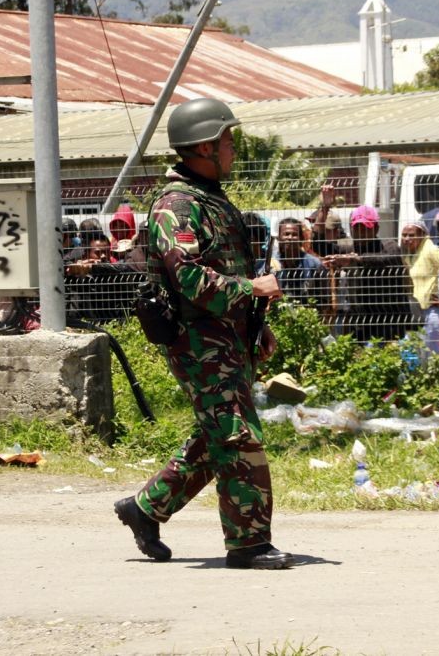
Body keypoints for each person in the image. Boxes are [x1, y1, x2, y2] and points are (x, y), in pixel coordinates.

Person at [113, 98, 291, 570]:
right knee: (236, 436)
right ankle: (248, 544)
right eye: (228, 140)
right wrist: (252, 287)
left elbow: (222, 270)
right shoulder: (177, 206)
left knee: (217, 434)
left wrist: (257, 322)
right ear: (205, 147)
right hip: (197, 343)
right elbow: (190, 280)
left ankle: (145, 508)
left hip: (227, 339)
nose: (234, 148)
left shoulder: (210, 197)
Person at [323, 205, 411, 342]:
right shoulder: (349, 249)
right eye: (357, 228)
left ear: (376, 228)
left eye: (366, 228)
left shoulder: (389, 246)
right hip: (360, 322)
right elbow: (320, 246)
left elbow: (389, 258)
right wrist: (324, 208)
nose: (361, 232)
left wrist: (356, 259)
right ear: (351, 229)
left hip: (390, 321)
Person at [401, 221, 439, 354]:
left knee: (431, 356)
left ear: (422, 235)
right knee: (411, 353)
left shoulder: (430, 250)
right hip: (414, 312)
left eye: (411, 235)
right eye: (404, 235)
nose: (407, 239)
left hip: (430, 312)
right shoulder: (410, 253)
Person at [275, 218, 329, 313]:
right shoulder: (272, 264)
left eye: (295, 234)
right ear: (279, 237)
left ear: (301, 238)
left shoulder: (314, 265)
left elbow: (323, 298)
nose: (290, 237)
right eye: (286, 234)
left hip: (307, 317)